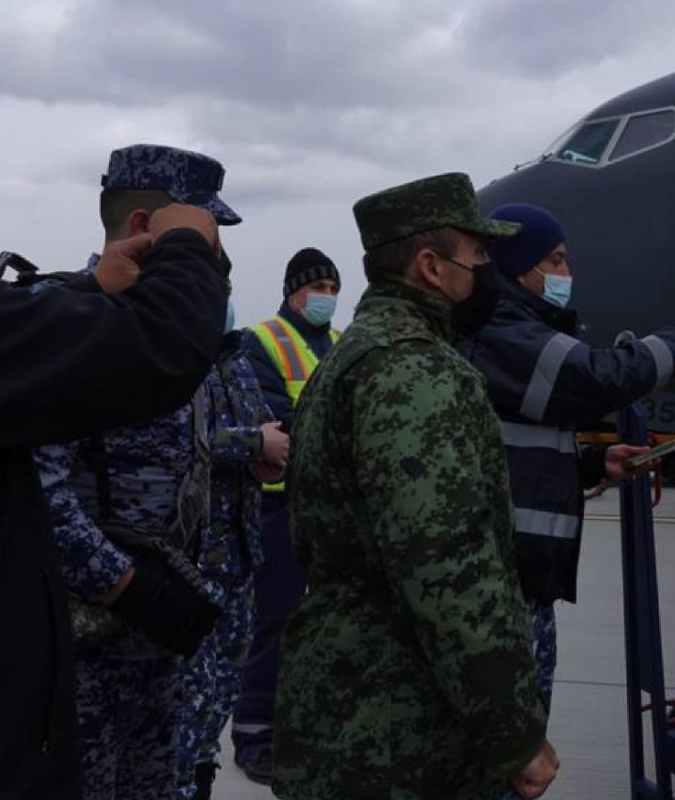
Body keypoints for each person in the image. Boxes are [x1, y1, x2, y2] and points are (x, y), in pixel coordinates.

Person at [273, 173, 558, 800]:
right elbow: (449, 570)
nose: (488, 269)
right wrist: (514, 730)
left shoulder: (352, 357)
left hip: (349, 698)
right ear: (431, 267)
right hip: (401, 726)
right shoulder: (415, 370)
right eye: (478, 254)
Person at [0, 203, 227, 800]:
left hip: (130, 650)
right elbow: (160, 346)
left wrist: (86, 291)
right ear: (142, 225)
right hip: (70, 654)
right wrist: (128, 587)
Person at [457, 202, 675, 706]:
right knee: (510, 735)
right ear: (523, 268)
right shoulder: (506, 332)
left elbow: (508, 449)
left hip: (518, 576)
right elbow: (596, 378)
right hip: (503, 581)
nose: (568, 274)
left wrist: (590, 464)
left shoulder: (509, 327)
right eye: (557, 260)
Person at [33, 143, 243, 800]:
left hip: (159, 645)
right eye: (205, 229)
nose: (217, 252)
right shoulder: (63, 319)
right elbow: (37, 492)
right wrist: (125, 586)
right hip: (81, 641)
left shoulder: (175, 332)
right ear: (146, 225)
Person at [176, 284, 289, 800]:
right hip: (194, 563)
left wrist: (264, 453)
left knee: (219, 694)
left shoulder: (239, 359)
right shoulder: (174, 357)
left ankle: (201, 781)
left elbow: (256, 423)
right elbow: (179, 437)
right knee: (186, 702)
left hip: (239, 558)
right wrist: (252, 442)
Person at [233, 246, 340, 782]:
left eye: (332, 290)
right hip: (281, 507)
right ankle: (254, 731)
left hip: (332, 510)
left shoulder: (343, 344)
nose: (326, 298)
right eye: (317, 288)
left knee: (323, 623)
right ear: (293, 291)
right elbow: (274, 419)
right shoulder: (264, 341)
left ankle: (306, 727)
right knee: (273, 620)